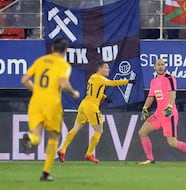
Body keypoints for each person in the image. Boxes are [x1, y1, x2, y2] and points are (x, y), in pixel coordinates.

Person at [21, 37, 80, 181]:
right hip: (52, 103)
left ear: (53, 48)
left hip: (36, 102)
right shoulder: (64, 65)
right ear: (65, 51)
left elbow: (24, 80)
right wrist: (74, 93)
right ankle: (46, 172)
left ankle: (30, 138)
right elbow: (64, 84)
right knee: (53, 137)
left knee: (37, 135)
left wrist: (37, 91)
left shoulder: (41, 60)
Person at [57, 60, 135, 163]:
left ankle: (63, 149)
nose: (108, 69)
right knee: (99, 130)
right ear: (100, 69)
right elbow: (112, 83)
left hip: (84, 104)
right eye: (106, 67)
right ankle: (89, 154)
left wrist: (104, 97)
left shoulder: (92, 77)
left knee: (75, 128)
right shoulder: (100, 78)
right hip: (92, 107)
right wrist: (127, 81)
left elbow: (95, 91)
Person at [138, 59, 186, 164]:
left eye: (162, 64)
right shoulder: (153, 81)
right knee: (142, 132)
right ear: (154, 67)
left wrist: (169, 107)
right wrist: (144, 108)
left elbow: (173, 93)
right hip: (158, 114)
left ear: (165, 66)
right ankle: (150, 159)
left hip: (169, 114)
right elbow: (150, 97)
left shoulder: (169, 78)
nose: (160, 67)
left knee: (172, 142)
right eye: (158, 65)